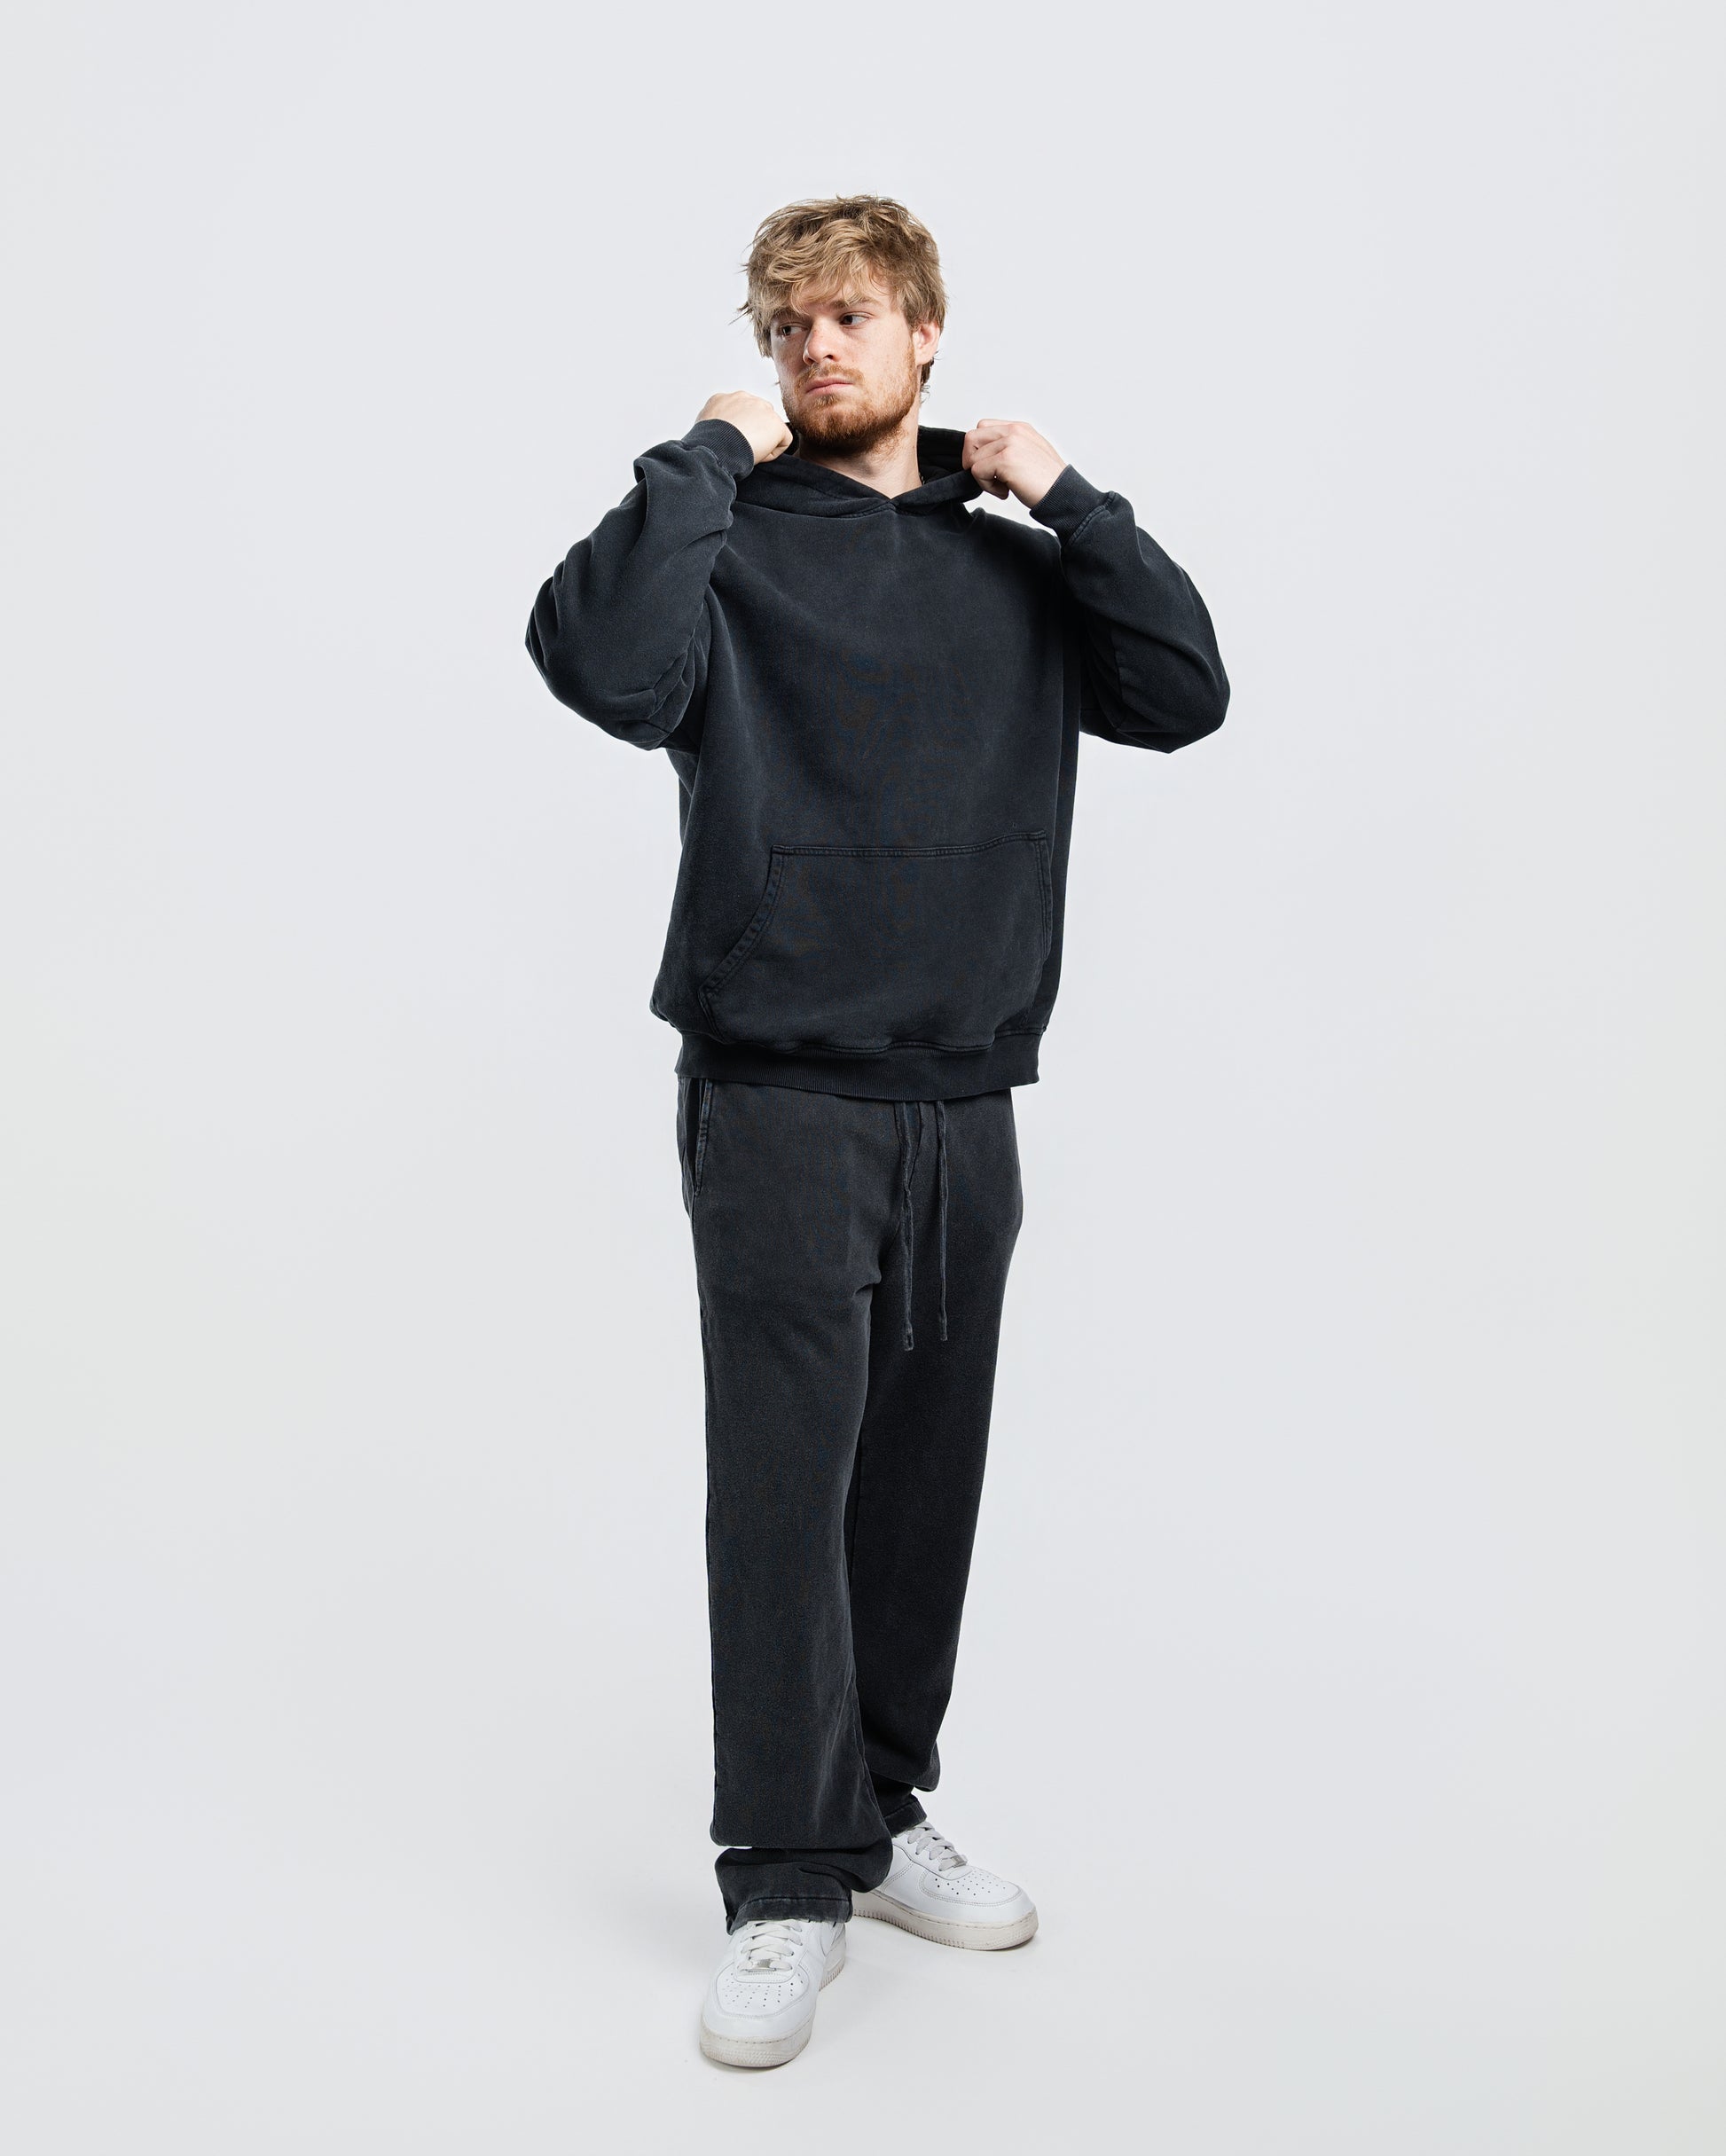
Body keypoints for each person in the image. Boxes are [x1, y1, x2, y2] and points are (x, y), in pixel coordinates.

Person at [524, 194, 1228, 2068]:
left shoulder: (1012, 569)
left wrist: (1069, 494)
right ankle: (782, 1878)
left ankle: (878, 1806)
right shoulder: (723, 549)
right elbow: (596, 664)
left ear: (925, 334)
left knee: (919, 1486)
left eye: (847, 316)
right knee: (783, 1493)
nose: (813, 348)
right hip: (776, 1090)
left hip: (963, 1091)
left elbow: (1182, 692)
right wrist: (701, 457)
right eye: (785, 328)